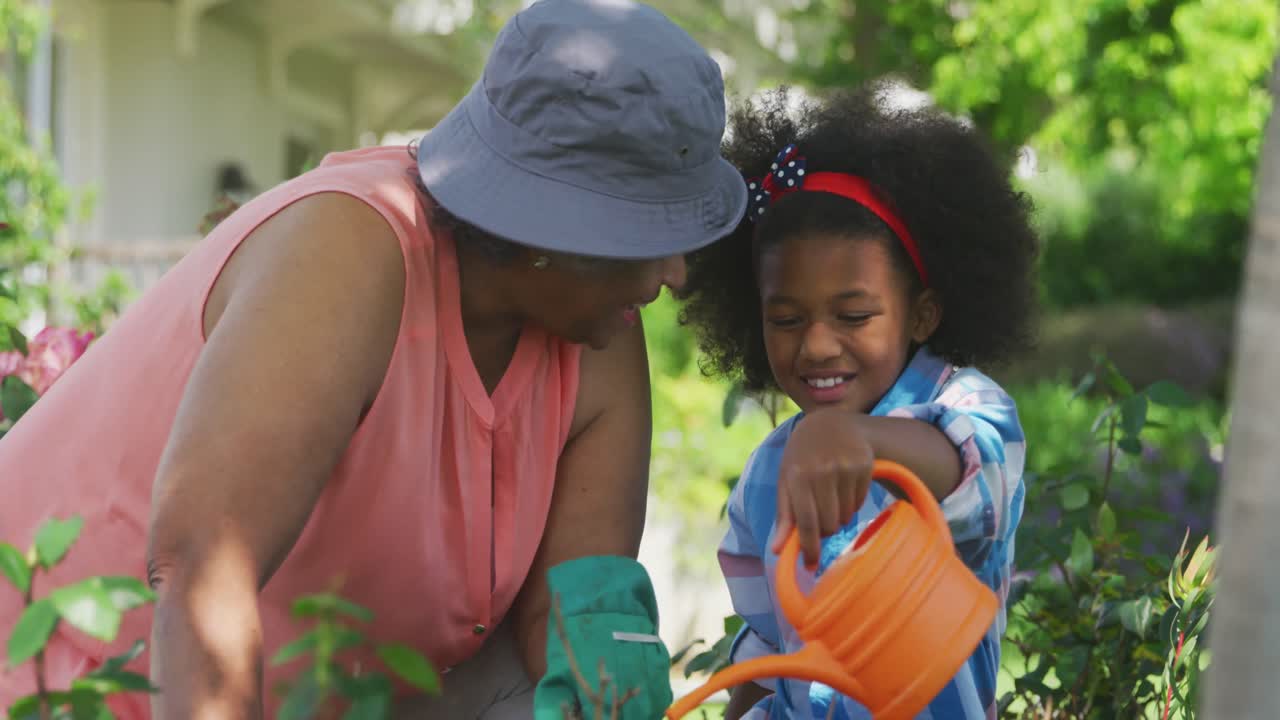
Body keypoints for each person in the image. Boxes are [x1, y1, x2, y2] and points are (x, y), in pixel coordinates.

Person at [0, 0, 746, 717]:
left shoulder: (598, 325)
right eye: (645, 234)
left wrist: (606, 675)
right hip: (63, 682)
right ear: (545, 234)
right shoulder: (351, 251)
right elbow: (202, 568)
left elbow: (573, 611)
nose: (676, 273)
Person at [677, 84, 1039, 719]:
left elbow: (976, 477)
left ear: (923, 313)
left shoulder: (966, 406)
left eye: (853, 314)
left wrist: (863, 443)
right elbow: (764, 649)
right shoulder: (769, 474)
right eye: (785, 320)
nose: (817, 345)